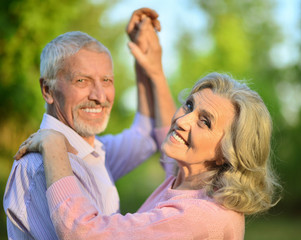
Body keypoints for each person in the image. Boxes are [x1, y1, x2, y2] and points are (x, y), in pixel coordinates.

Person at [15, 18, 281, 237]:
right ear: (47, 90)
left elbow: (86, 233)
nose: (182, 119)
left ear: (227, 152)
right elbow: (157, 133)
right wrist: (152, 69)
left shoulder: (200, 214)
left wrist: (54, 145)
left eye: (205, 121)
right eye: (189, 106)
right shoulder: (187, 182)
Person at [3, 8, 175, 240]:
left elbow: (145, 136)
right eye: (81, 81)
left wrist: (147, 60)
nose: (99, 96)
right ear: (47, 90)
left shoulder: (96, 152)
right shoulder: (38, 167)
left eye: (106, 80)